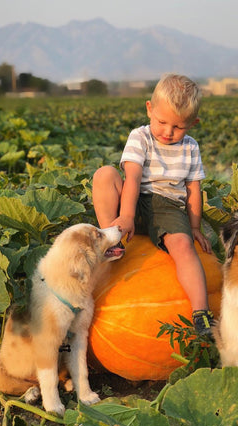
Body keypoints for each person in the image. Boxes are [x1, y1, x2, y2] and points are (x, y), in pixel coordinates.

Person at [92, 73, 214, 336]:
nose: (168, 132)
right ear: (149, 109)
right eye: (162, 122)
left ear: (194, 123)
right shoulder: (140, 137)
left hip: (168, 207)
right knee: (104, 175)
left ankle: (201, 311)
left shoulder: (191, 148)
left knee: (183, 246)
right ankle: (111, 239)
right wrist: (125, 216)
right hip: (134, 200)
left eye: (179, 127)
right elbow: (132, 179)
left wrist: (194, 227)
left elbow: (194, 189)